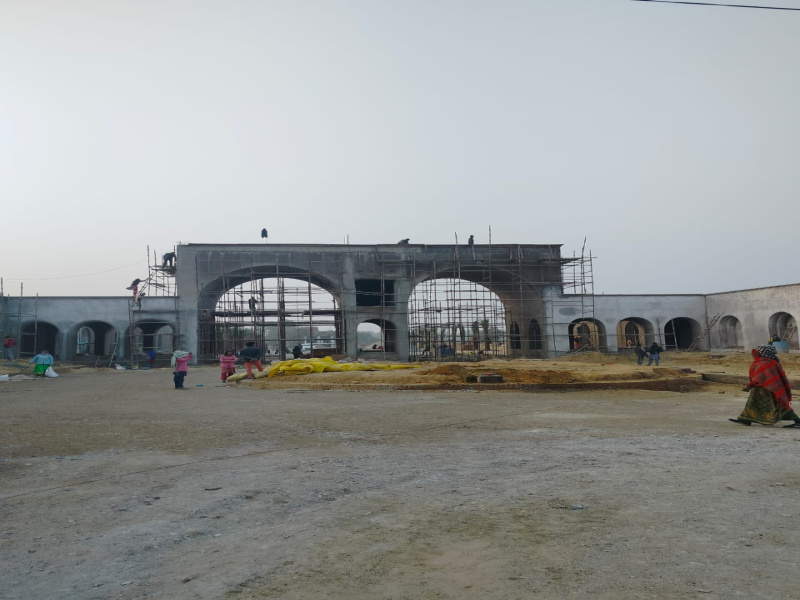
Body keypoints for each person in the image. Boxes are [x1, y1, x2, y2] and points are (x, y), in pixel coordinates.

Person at [730, 345, 800, 428]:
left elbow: (759, 378)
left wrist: (749, 386)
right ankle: (745, 419)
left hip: (767, 390)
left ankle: (798, 421)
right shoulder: (772, 362)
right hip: (765, 389)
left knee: (780, 407)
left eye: (758, 351)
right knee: (753, 404)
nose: (755, 353)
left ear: (763, 353)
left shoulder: (765, 363)